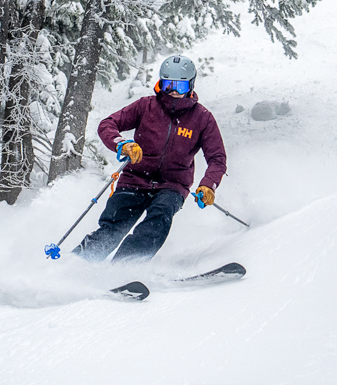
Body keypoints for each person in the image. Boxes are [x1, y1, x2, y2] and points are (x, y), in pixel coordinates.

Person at [74, 55, 227, 262]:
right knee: (115, 225)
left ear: (190, 85)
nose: (173, 91)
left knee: (159, 217)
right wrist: (121, 143)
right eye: (167, 84)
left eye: (179, 86)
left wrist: (208, 185)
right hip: (135, 178)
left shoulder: (202, 118)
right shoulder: (146, 106)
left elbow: (217, 157)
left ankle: (124, 268)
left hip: (173, 185)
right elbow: (107, 124)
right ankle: (76, 264)